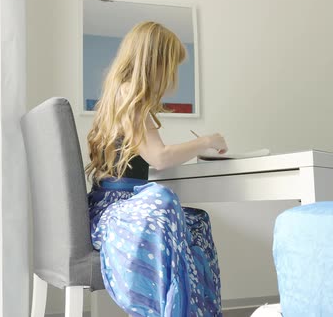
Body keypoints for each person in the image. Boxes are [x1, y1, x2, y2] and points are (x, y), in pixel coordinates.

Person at [85, 21, 227, 317]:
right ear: (155, 62)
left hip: (111, 206)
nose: (172, 76)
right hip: (116, 209)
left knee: (196, 222)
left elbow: (150, 155)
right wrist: (206, 142)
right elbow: (159, 157)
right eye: (171, 65)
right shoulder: (129, 96)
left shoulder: (119, 96)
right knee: (164, 203)